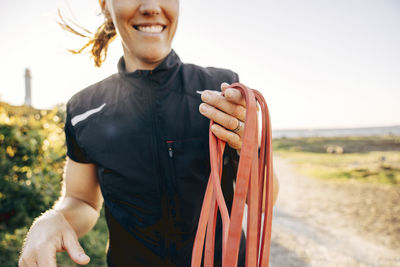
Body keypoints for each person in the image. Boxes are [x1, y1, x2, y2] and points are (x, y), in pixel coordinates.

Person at [19, 0, 279, 266]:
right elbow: (82, 201)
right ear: (105, 5)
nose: (152, 6)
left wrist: (249, 146)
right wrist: (55, 218)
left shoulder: (221, 91)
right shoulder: (84, 109)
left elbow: (262, 202)